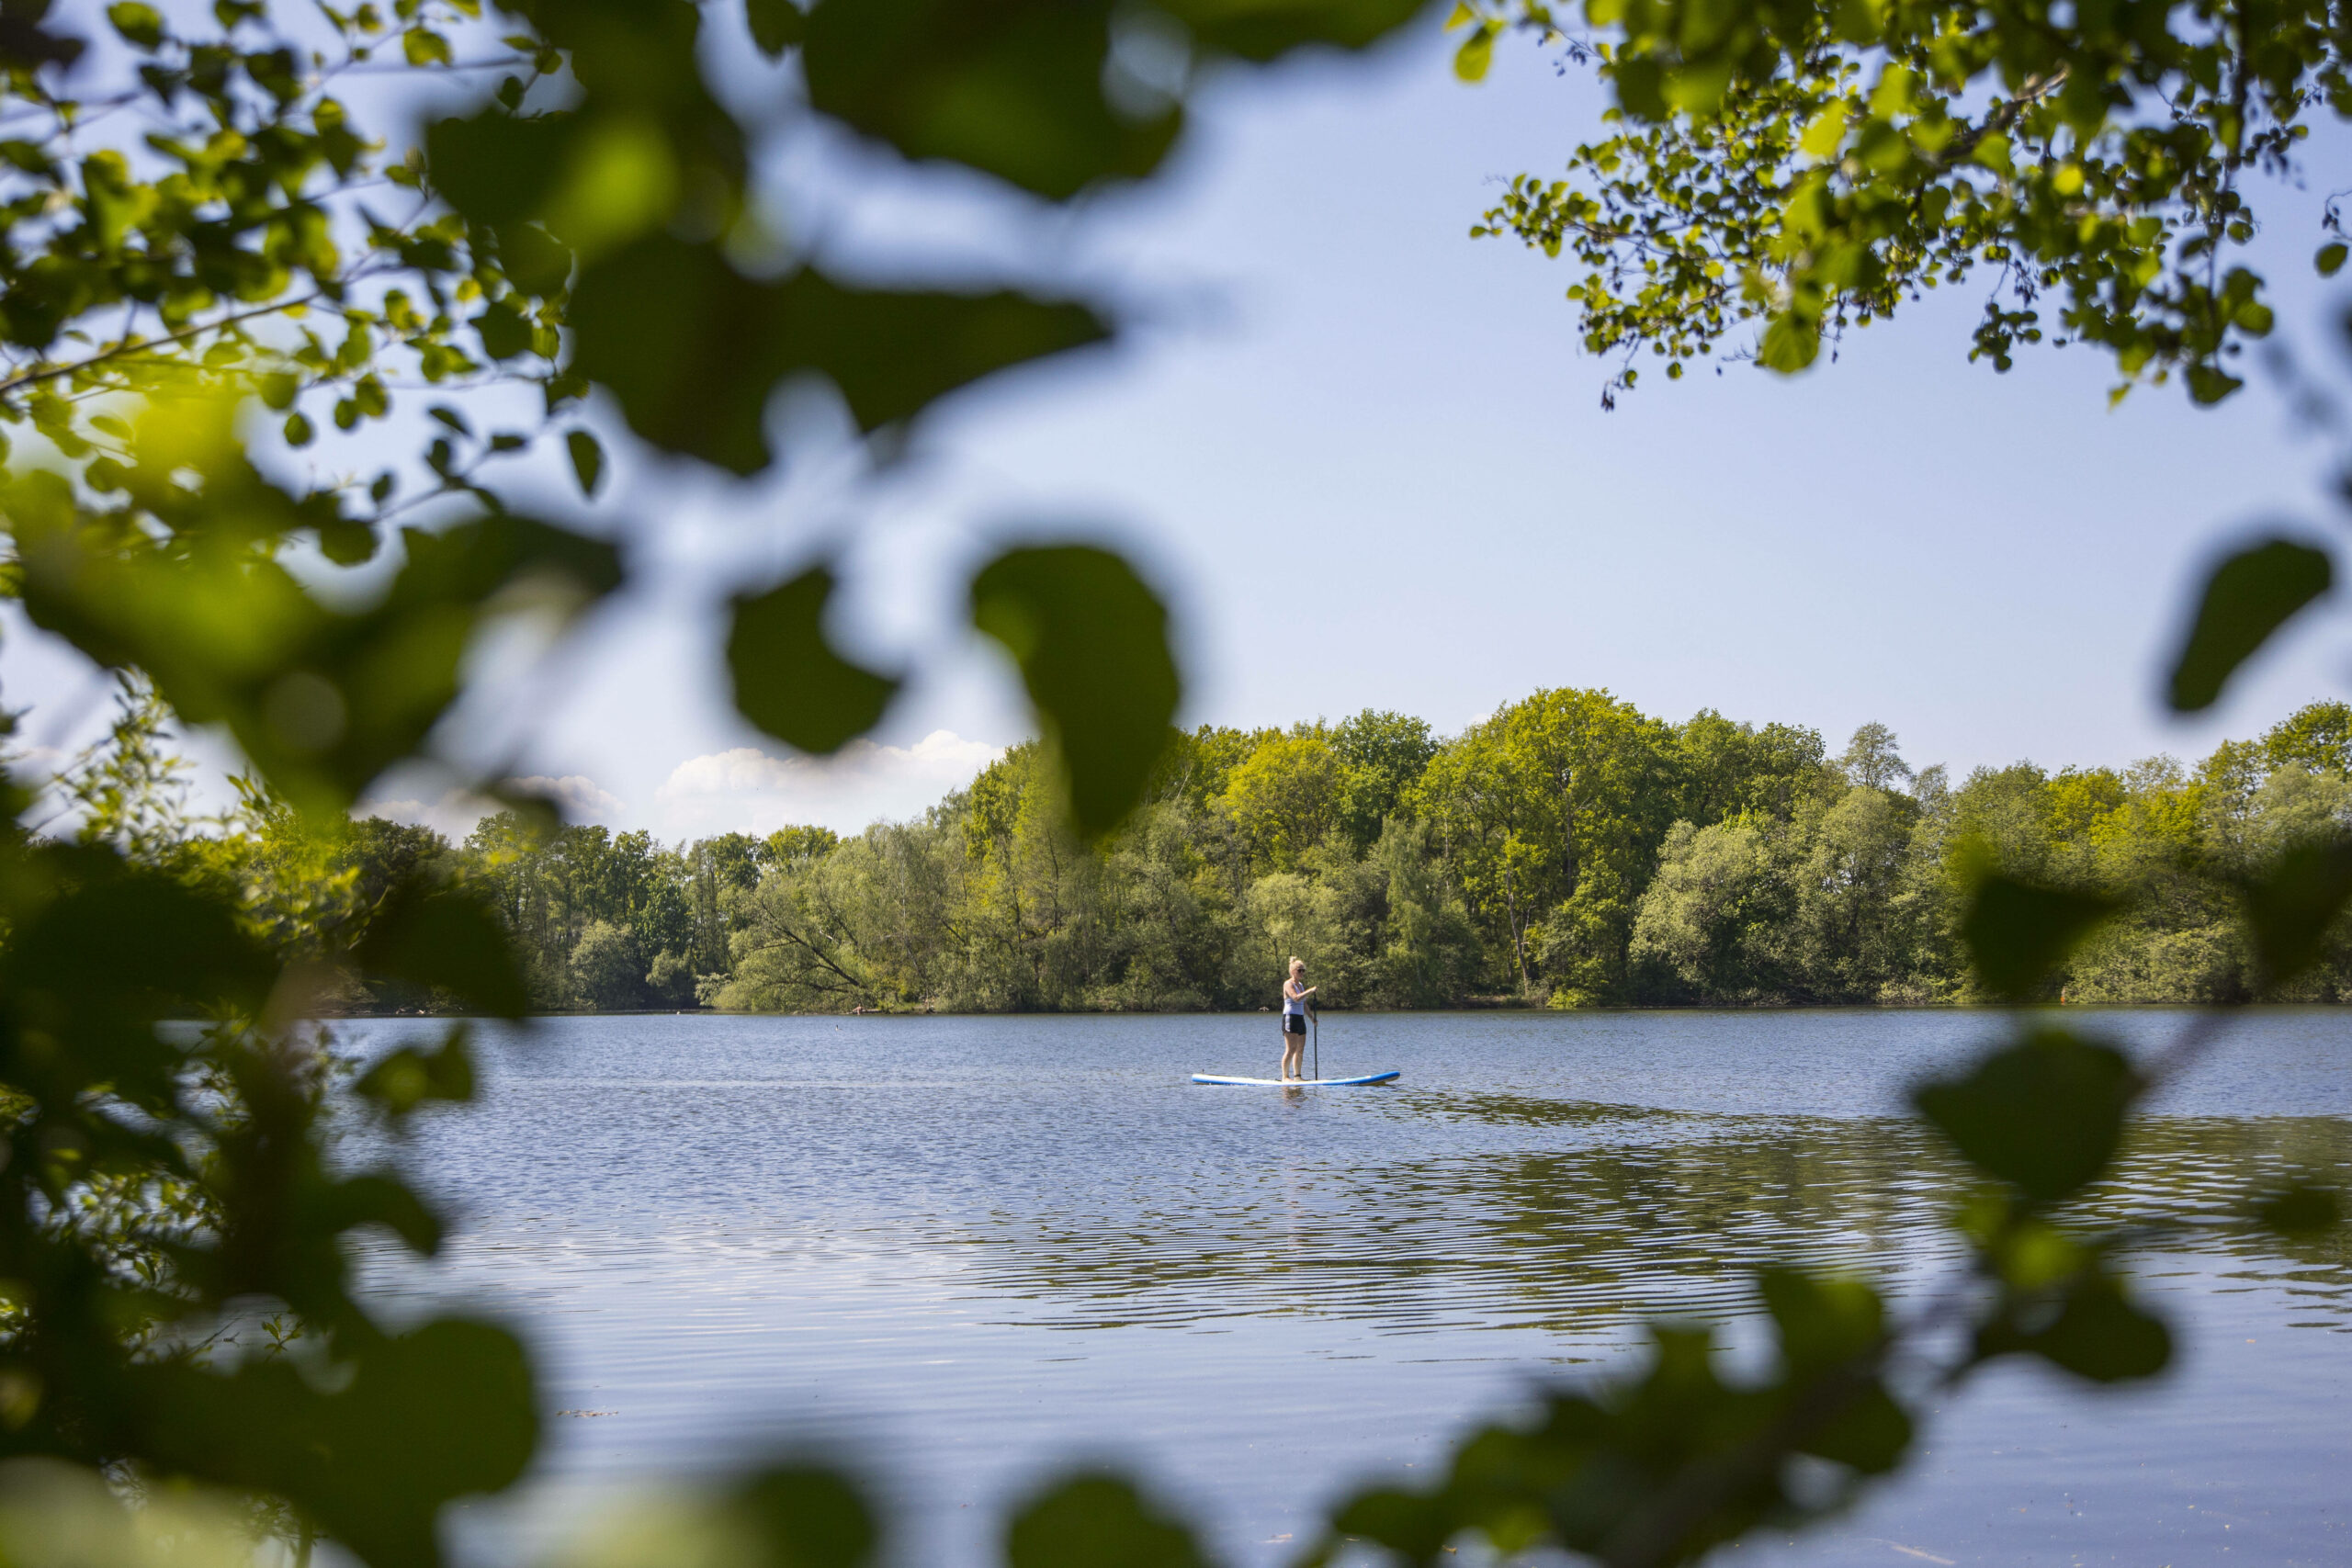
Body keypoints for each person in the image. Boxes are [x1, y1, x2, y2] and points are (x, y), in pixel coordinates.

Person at [1280, 957, 1317, 1081]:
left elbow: (1304, 1004)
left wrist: (1312, 1018)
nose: (1302, 973)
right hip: (1290, 1018)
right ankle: (1285, 1077)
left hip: (1300, 1019)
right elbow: (1295, 998)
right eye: (1300, 970)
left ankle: (1298, 1077)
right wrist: (1310, 991)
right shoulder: (1288, 984)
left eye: (1303, 971)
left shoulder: (1300, 985)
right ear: (1293, 971)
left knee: (1300, 1049)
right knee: (1291, 1049)